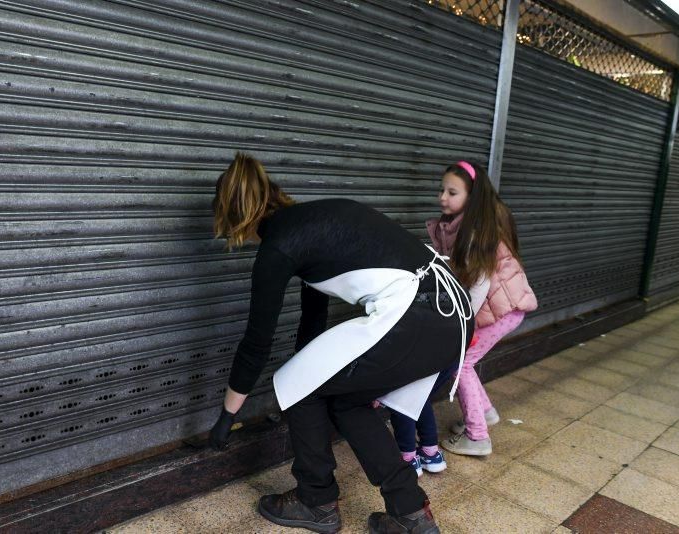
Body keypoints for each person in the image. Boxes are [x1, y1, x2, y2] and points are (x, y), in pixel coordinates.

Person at [207, 152, 474, 534]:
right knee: (345, 400)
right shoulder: (312, 223)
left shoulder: (279, 244)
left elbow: (256, 342)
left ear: (234, 216)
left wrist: (227, 415)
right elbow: (312, 324)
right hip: (453, 314)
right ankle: (410, 514)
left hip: (417, 312)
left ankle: (316, 501)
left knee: (297, 385)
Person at [424, 161, 537, 457]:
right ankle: (484, 413)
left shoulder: (475, 232)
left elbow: (480, 284)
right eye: (442, 190)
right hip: (499, 305)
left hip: (502, 308)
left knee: (461, 363)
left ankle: (477, 437)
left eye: (452, 192)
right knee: (464, 362)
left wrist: (464, 323)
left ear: (471, 198)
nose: (443, 198)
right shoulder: (462, 224)